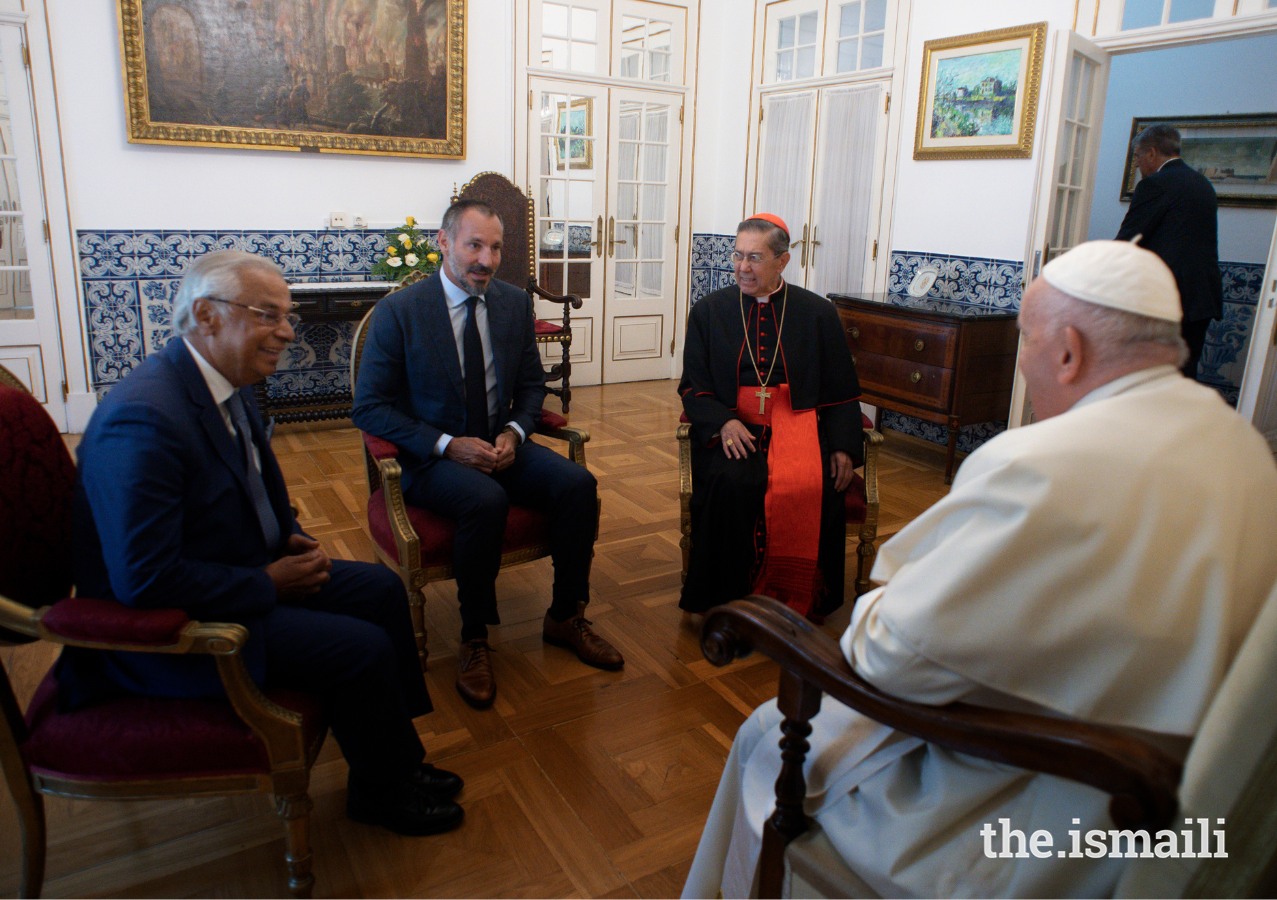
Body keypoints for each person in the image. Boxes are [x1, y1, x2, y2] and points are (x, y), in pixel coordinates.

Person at [683, 240, 1277, 898]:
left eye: (1025, 341)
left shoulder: (1037, 462)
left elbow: (887, 658)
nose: (1025, 361)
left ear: (1069, 350)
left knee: (763, 740)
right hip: (1171, 803)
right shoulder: (1247, 450)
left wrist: (885, 601)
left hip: (1033, 811)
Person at [59, 250, 464, 837]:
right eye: (267, 314)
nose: (286, 331)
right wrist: (268, 581)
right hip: (172, 628)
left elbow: (234, 487)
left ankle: (395, 760)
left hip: (240, 566)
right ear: (206, 315)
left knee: (381, 589)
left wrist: (284, 538)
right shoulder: (144, 419)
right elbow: (141, 580)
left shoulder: (223, 382)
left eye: (287, 314)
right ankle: (381, 793)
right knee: (361, 648)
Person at [352, 199, 623, 710]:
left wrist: (517, 432)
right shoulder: (400, 313)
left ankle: (565, 614)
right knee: (483, 501)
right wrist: (447, 445)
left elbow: (530, 385)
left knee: (578, 486)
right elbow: (369, 408)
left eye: (495, 248)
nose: (486, 259)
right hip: (432, 459)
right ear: (444, 242)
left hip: (504, 445)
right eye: (474, 245)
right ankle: (475, 638)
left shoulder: (512, 304)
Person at [679, 214, 862, 620]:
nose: (743, 267)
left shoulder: (817, 313)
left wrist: (845, 448)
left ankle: (797, 597)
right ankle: (727, 598)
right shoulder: (710, 312)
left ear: (782, 261)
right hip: (733, 427)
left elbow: (840, 389)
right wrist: (723, 422)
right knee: (732, 481)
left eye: (755, 258)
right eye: (738, 256)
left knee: (816, 483)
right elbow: (693, 385)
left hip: (799, 427)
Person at [1116, 122, 1222, 379]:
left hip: (1168, 298)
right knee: (1183, 372)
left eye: (1138, 156)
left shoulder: (1156, 184)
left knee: (1152, 375)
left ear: (1152, 153)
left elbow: (1129, 239)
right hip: (1201, 298)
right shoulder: (1202, 183)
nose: (1138, 164)